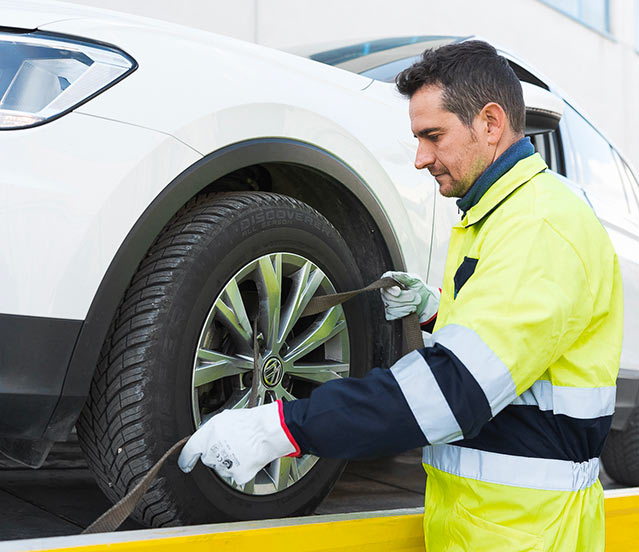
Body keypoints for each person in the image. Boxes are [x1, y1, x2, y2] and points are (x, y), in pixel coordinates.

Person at [178, 41, 622, 551]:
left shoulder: (540, 225)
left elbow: (451, 391)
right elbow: (516, 349)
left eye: (433, 136)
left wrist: (281, 428)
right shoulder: (498, 217)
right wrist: (437, 312)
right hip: (491, 525)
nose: (420, 159)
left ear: (491, 123)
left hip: (528, 536)